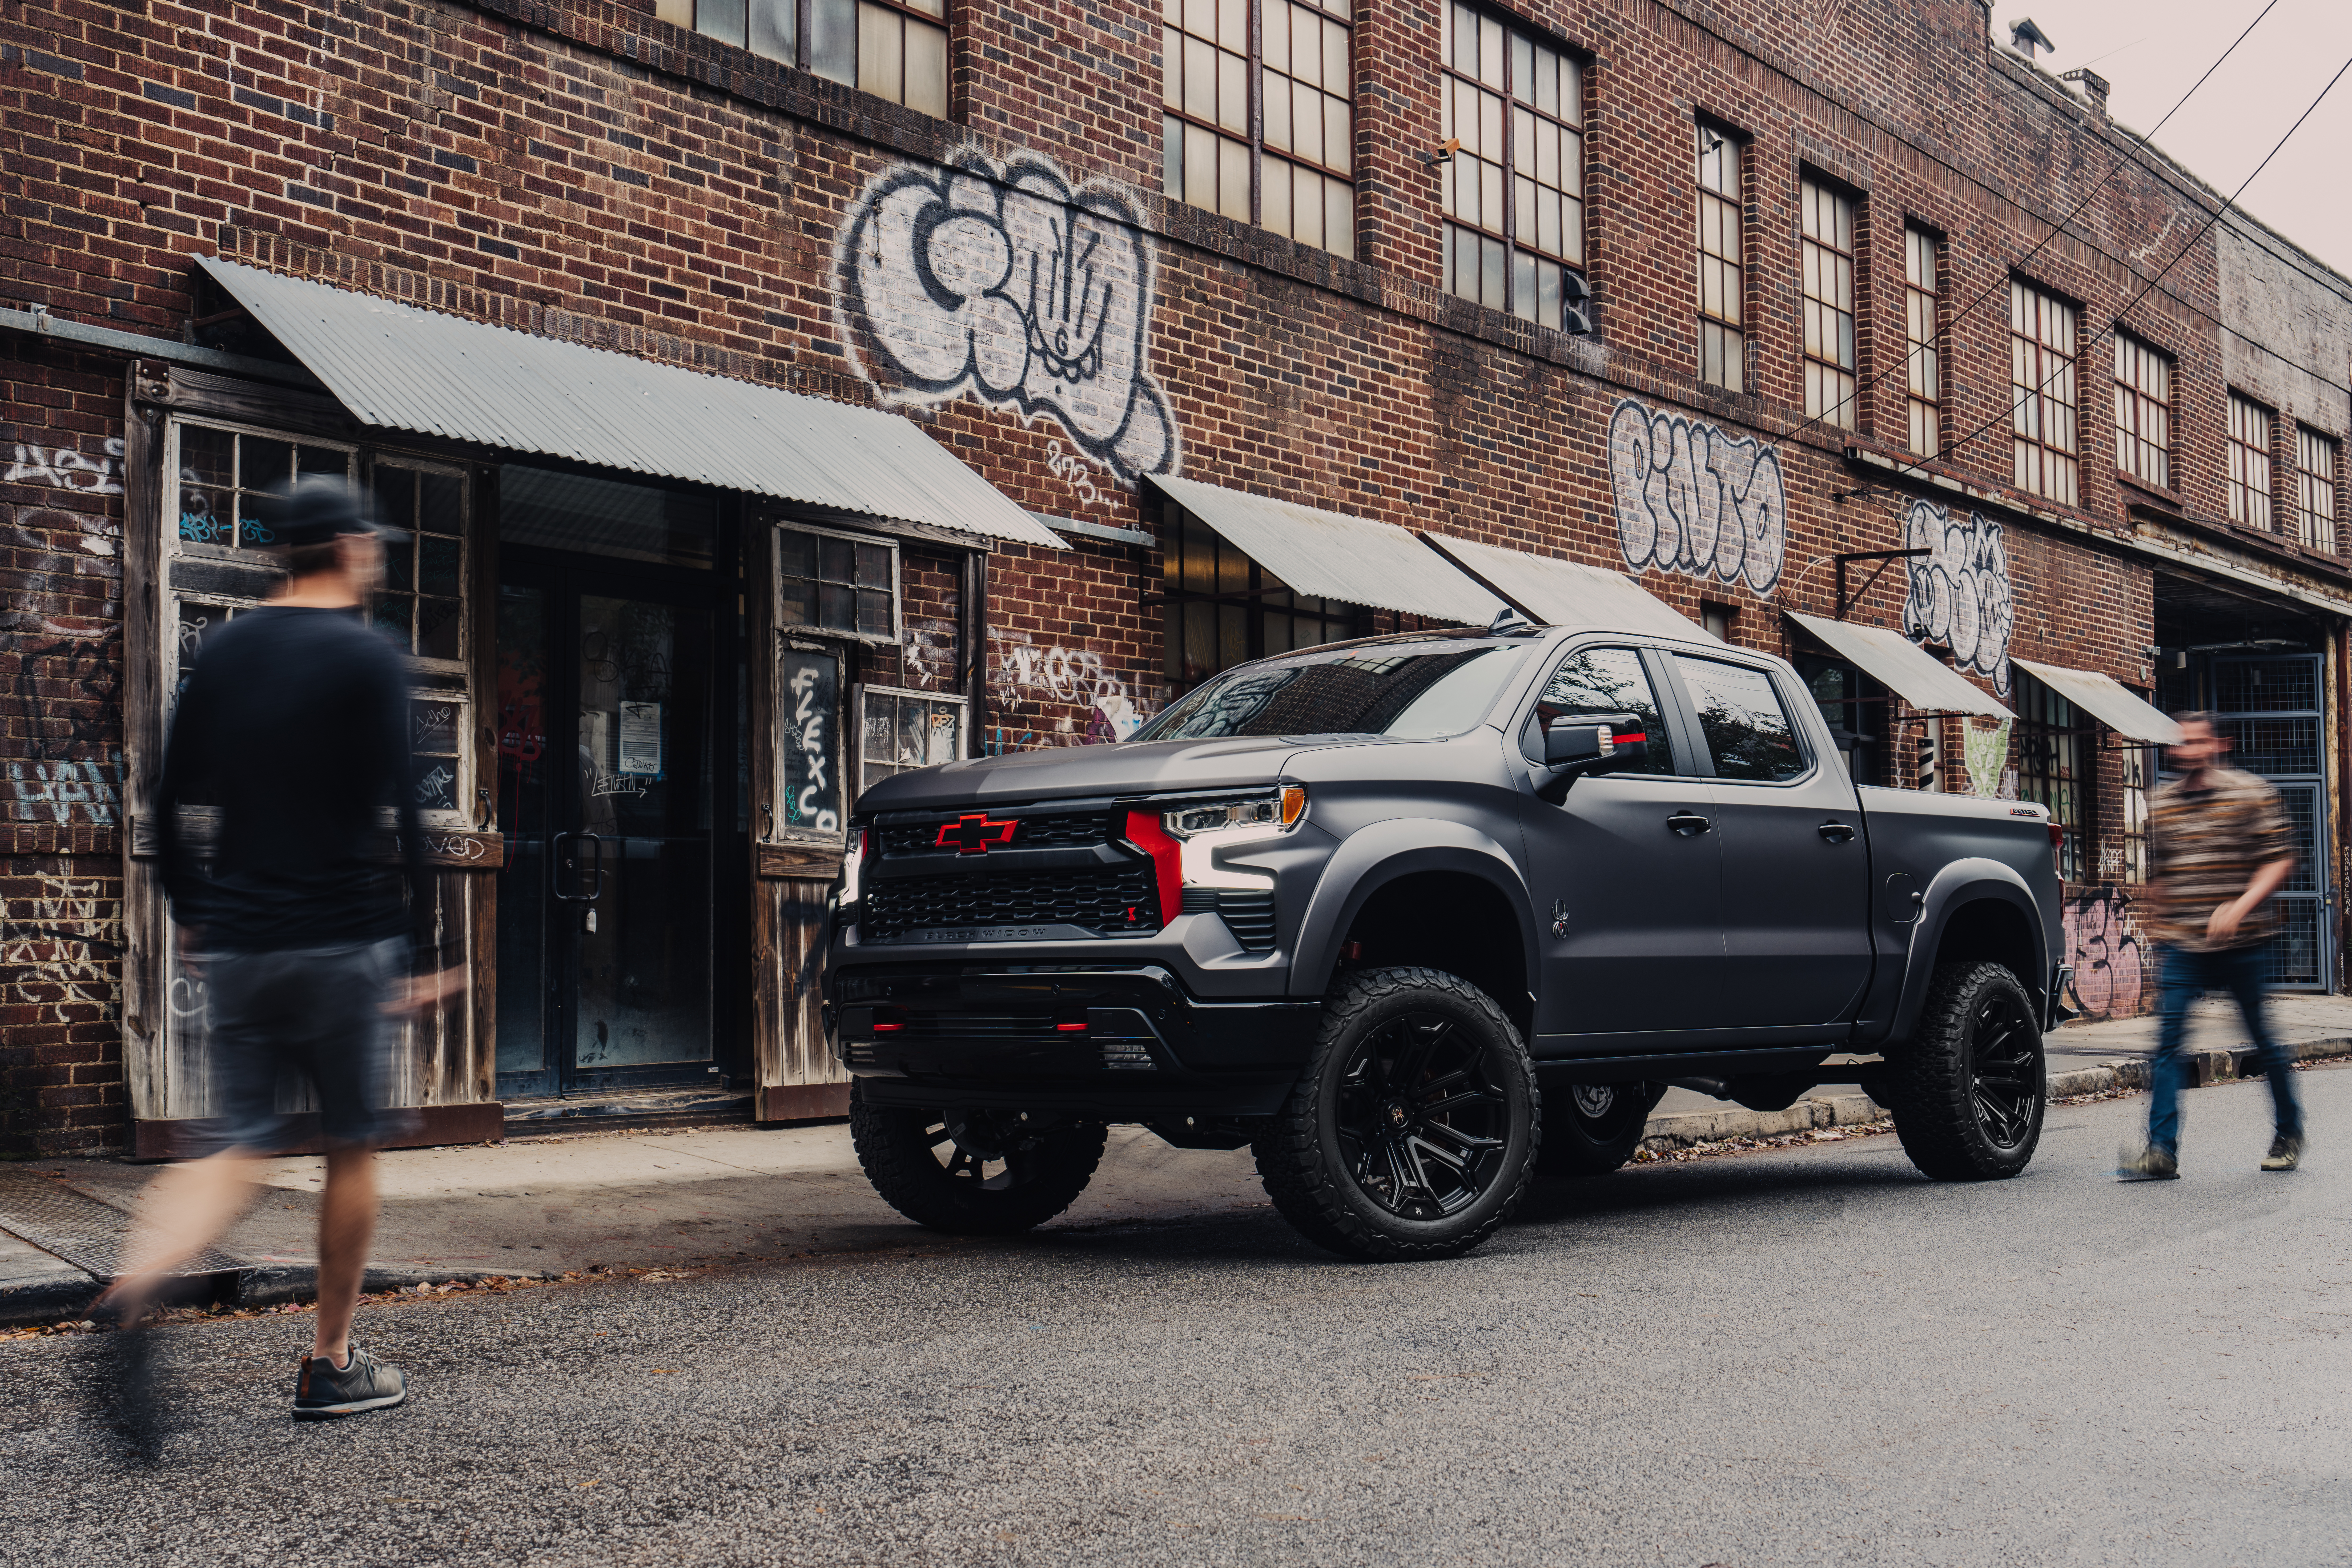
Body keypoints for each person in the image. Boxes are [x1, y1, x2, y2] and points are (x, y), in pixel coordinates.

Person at [96, 475, 466, 1438]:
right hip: (346, 939)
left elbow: (173, 798)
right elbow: (411, 817)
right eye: (369, 541)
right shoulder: (369, 656)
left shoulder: (226, 652)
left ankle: (132, 1293)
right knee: (350, 1145)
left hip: (246, 939)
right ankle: (331, 1362)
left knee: (234, 1144)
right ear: (344, 547)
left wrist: (194, 908)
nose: (377, 553)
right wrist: (422, 947)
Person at [2118, 711, 2304, 1180]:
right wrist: (2158, 930)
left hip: (2244, 941)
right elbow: (2161, 874)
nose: (2192, 751)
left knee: (2262, 1038)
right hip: (2184, 945)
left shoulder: (2251, 794)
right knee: (2166, 1046)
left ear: (2220, 744)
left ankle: (2289, 1132)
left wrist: (2240, 906)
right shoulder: (2163, 804)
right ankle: (2161, 1150)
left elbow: (2280, 861)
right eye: (2185, 743)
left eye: (2201, 742)